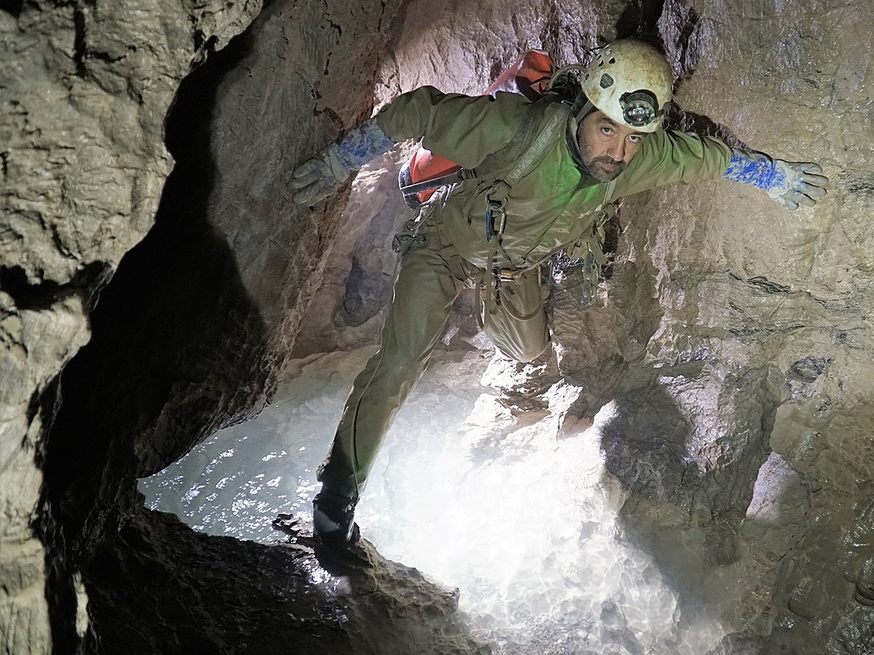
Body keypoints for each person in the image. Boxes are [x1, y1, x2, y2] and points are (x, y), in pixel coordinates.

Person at [289, 40, 828, 547]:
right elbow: (416, 111)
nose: (618, 152)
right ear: (582, 111)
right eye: (608, 131)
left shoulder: (640, 158)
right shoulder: (511, 128)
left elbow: (705, 156)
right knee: (401, 361)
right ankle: (337, 495)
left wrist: (770, 176)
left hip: (513, 266)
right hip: (445, 246)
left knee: (525, 351)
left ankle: (492, 320)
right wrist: (340, 162)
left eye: (633, 138)